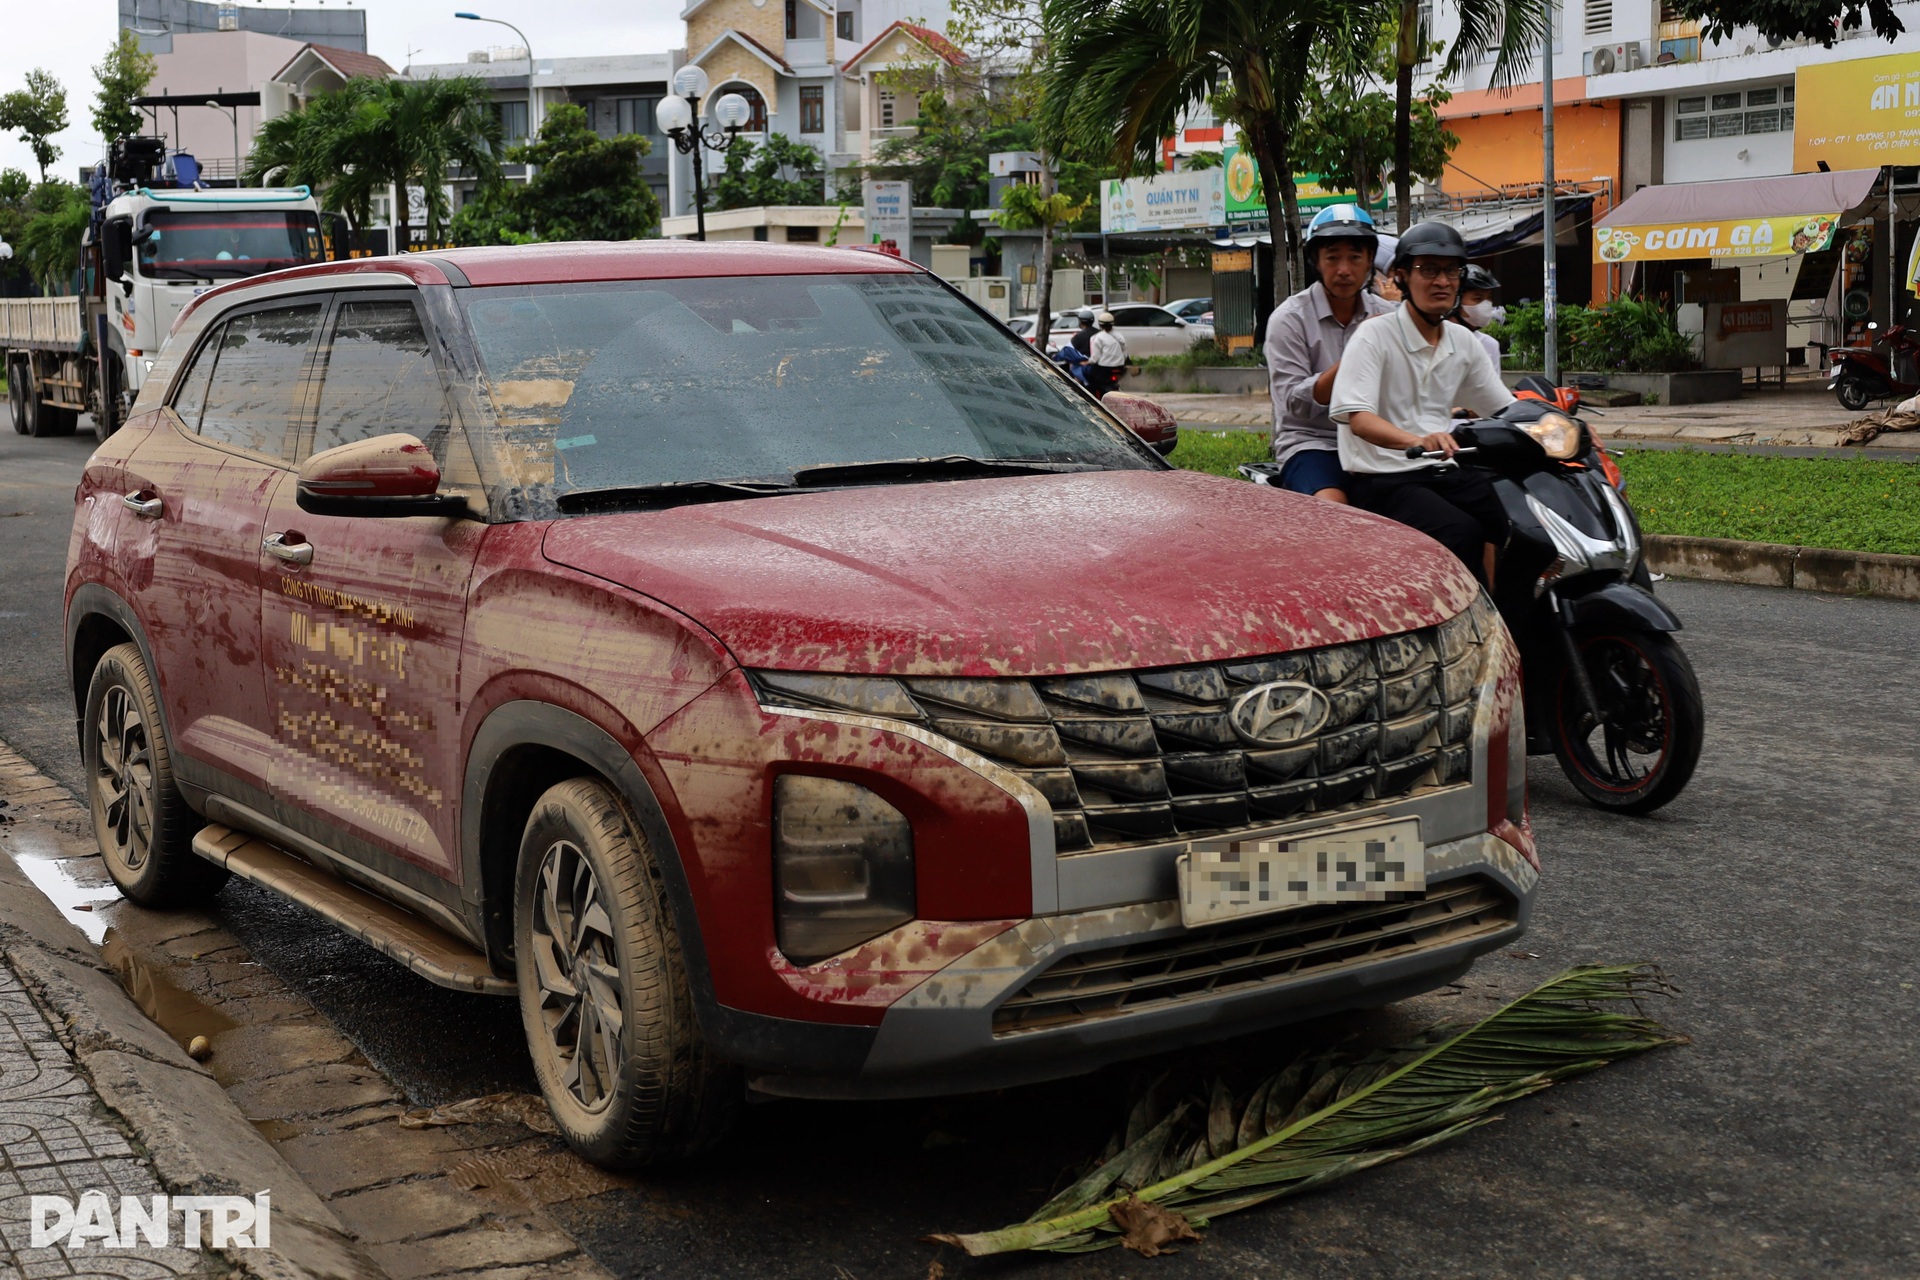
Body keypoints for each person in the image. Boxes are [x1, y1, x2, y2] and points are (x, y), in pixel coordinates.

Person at [1329, 221, 1516, 584]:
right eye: (1428, 270)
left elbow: (1504, 409)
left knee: (1514, 516)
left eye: (1451, 271)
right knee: (1460, 531)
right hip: (1382, 477)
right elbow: (1360, 420)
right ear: (1401, 277)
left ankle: (1509, 610)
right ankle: (1459, 618)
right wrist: (1416, 440)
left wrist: (1562, 425)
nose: (1442, 281)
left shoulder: (1463, 341)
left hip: (1440, 470)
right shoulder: (1374, 336)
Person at [1264, 204, 1395, 503]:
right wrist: (1358, 349)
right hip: (1313, 443)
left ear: (1370, 261)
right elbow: (1295, 404)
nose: (1344, 270)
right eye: (1333, 257)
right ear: (1316, 261)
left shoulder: (1388, 315)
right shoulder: (1289, 319)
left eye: (1355, 257)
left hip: (1376, 443)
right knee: (1335, 512)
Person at [1454, 263, 1504, 381]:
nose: (1486, 304)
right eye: (1478, 298)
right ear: (1456, 301)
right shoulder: (1437, 339)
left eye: (1489, 298)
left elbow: (1494, 390)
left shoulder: (1489, 345)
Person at [1087, 311, 1127, 397]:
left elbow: (1095, 358)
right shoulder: (1119, 335)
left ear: (1100, 325)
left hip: (1104, 368)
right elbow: (1124, 350)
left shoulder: (1097, 337)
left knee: (1091, 378)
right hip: (1120, 366)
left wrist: (1088, 362)